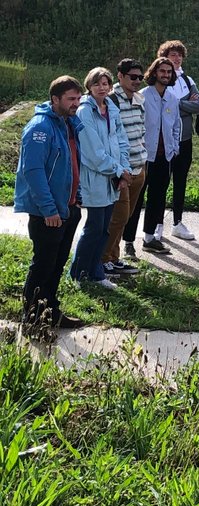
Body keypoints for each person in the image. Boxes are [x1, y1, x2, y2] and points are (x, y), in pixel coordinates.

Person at [15, 75, 86, 331]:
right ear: (54, 99)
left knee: (56, 265)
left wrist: (76, 200)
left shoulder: (68, 123)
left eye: (78, 98)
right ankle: (32, 320)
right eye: (71, 99)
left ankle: (50, 312)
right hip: (49, 213)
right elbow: (33, 172)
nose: (76, 103)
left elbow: (71, 166)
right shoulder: (40, 128)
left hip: (68, 209)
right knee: (43, 266)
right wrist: (49, 210)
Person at [71, 67, 132, 288]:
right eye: (97, 84)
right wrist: (118, 171)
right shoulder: (85, 111)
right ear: (89, 86)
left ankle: (96, 273)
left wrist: (124, 169)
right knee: (94, 228)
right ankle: (78, 273)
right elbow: (92, 153)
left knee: (105, 228)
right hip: (94, 178)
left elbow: (122, 141)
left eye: (105, 83)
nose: (102, 87)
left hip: (113, 177)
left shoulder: (111, 107)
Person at [157, 40, 199, 242]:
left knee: (180, 181)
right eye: (172, 55)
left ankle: (177, 223)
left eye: (179, 55)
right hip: (163, 140)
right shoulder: (159, 79)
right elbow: (160, 106)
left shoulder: (187, 79)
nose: (176, 59)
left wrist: (176, 104)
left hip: (185, 139)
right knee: (160, 183)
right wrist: (186, 105)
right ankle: (157, 224)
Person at [104, 59, 147, 274]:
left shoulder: (139, 99)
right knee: (118, 217)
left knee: (125, 217)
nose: (137, 81)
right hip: (122, 170)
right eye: (133, 77)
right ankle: (103, 260)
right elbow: (109, 137)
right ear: (120, 76)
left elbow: (141, 131)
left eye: (140, 77)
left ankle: (114, 257)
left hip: (140, 167)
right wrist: (121, 169)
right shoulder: (111, 100)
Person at [141, 56, 182, 254]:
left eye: (169, 72)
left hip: (164, 157)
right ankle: (129, 240)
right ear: (154, 73)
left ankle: (149, 238)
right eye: (162, 71)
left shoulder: (172, 98)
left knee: (157, 198)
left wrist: (173, 148)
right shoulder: (142, 96)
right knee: (137, 199)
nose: (165, 75)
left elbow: (176, 126)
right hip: (144, 157)